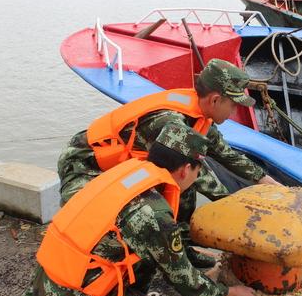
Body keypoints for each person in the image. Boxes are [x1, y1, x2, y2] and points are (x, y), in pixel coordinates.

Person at [17, 123, 258, 296]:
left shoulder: (124, 175)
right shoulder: (153, 213)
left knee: (147, 261)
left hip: (41, 294)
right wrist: (229, 293)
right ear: (186, 169)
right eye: (198, 173)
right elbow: (186, 281)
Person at [57, 58, 280, 219]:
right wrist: (242, 210)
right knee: (129, 221)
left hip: (118, 166)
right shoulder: (172, 123)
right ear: (215, 100)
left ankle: (182, 245)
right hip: (86, 166)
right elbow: (200, 176)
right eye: (233, 105)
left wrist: (266, 181)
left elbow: (226, 154)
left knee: (183, 188)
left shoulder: (199, 114)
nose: (233, 112)